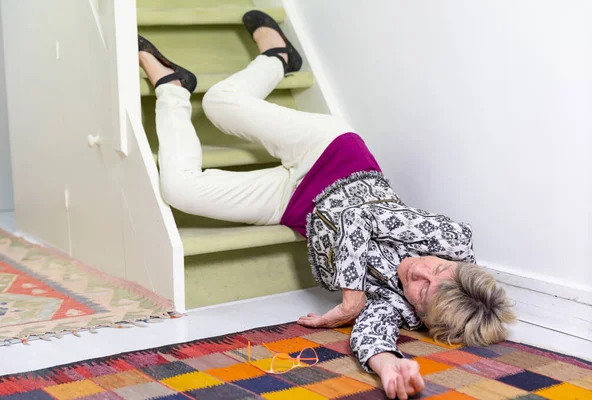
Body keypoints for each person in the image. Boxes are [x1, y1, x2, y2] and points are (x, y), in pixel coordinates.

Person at [138, 10, 515, 400]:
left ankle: (172, 86)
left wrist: (390, 366)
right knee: (219, 101)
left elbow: (373, 333)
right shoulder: (453, 239)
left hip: (300, 208)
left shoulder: (397, 305)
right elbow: (359, 216)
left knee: (179, 189)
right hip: (333, 156)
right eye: (438, 268)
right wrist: (352, 295)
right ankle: (278, 56)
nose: (421, 270)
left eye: (422, 291)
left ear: (421, 316)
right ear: (458, 262)